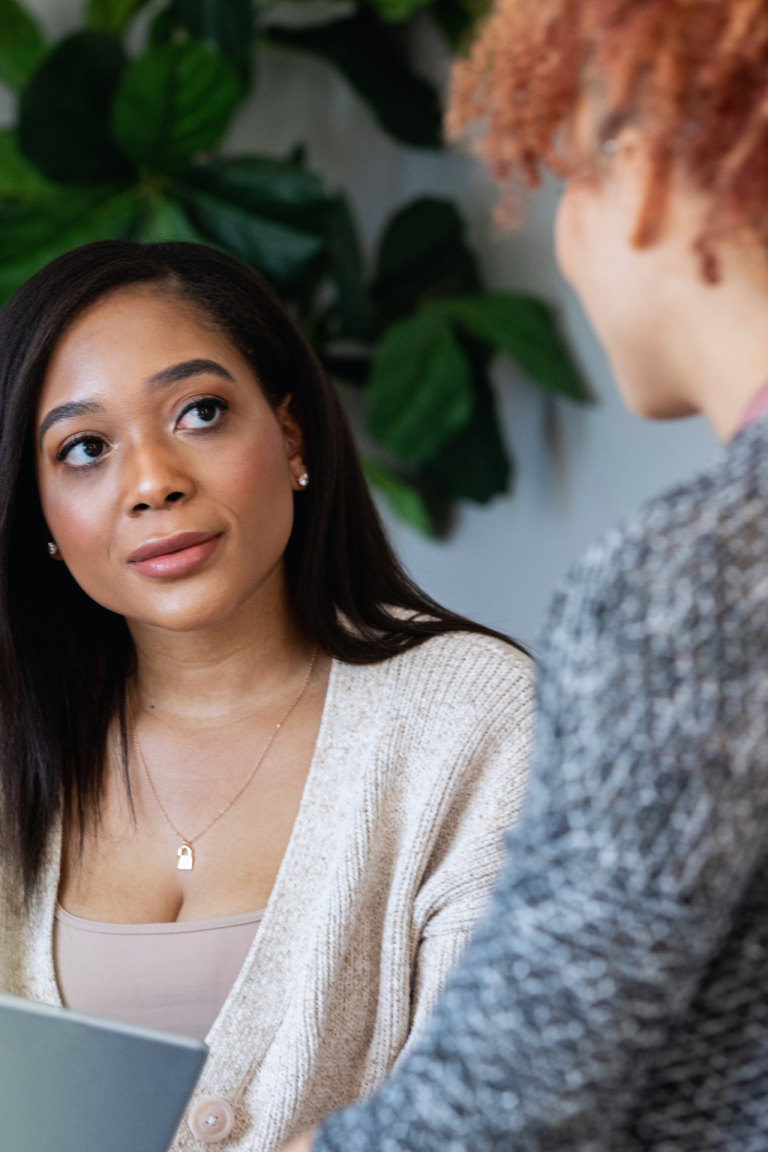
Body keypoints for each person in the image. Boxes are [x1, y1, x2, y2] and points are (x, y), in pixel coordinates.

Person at [282, 1, 768, 1151]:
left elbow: (506, 1103)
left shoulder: (696, 579)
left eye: (568, 185)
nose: (565, 245)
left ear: (643, 171)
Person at [0, 241, 533, 1150]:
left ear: (290, 437)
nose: (154, 482)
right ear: (41, 514)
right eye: (85, 449)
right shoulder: (21, 735)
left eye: (199, 412)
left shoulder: (470, 715)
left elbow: (499, 1106)